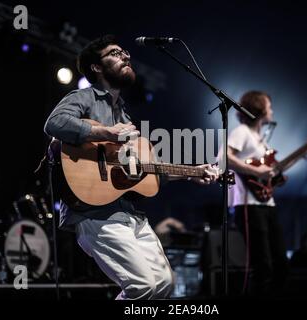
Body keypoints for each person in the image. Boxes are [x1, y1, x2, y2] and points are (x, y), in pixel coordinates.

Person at [44, 35, 218, 300]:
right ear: (97, 67)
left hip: (128, 214)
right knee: (143, 286)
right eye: (115, 53)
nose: (125, 56)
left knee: (164, 284)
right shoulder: (85, 97)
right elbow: (54, 124)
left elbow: (145, 172)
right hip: (94, 214)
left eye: (125, 52)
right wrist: (107, 133)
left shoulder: (125, 115)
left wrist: (192, 173)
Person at [225, 90, 307, 296]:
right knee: (263, 266)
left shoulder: (260, 140)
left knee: (281, 265)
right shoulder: (242, 132)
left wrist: (302, 153)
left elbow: (273, 171)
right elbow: (224, 158)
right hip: (248, 205)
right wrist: (256, 171)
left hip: (267, 205)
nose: (272, 110)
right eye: (269, 106)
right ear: (258, 108)